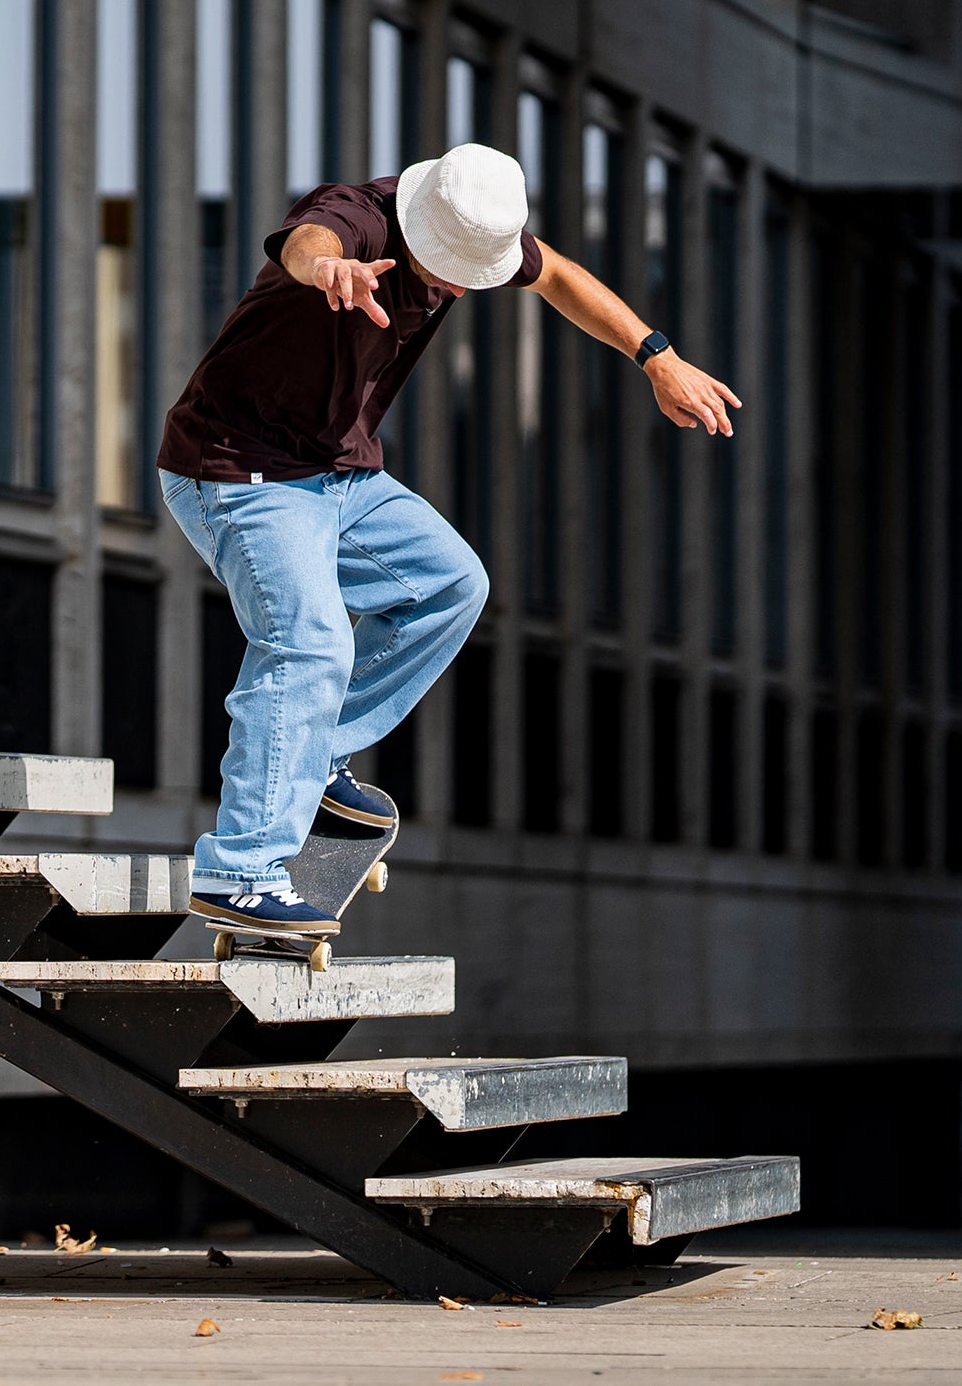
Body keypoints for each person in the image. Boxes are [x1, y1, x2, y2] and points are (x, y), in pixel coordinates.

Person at [157, 141, 739, 941]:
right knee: (309, 642)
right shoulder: (357, 218)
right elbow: (307, 241)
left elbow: (562, 277)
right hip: (241, 472)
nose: (458, 288)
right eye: (448, 270)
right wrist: (327, 269)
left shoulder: (477, 224)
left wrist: (656, 357)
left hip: (339, 476)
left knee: (450, 584)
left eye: (473, 275)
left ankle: (313, 756)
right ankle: (242, 869)